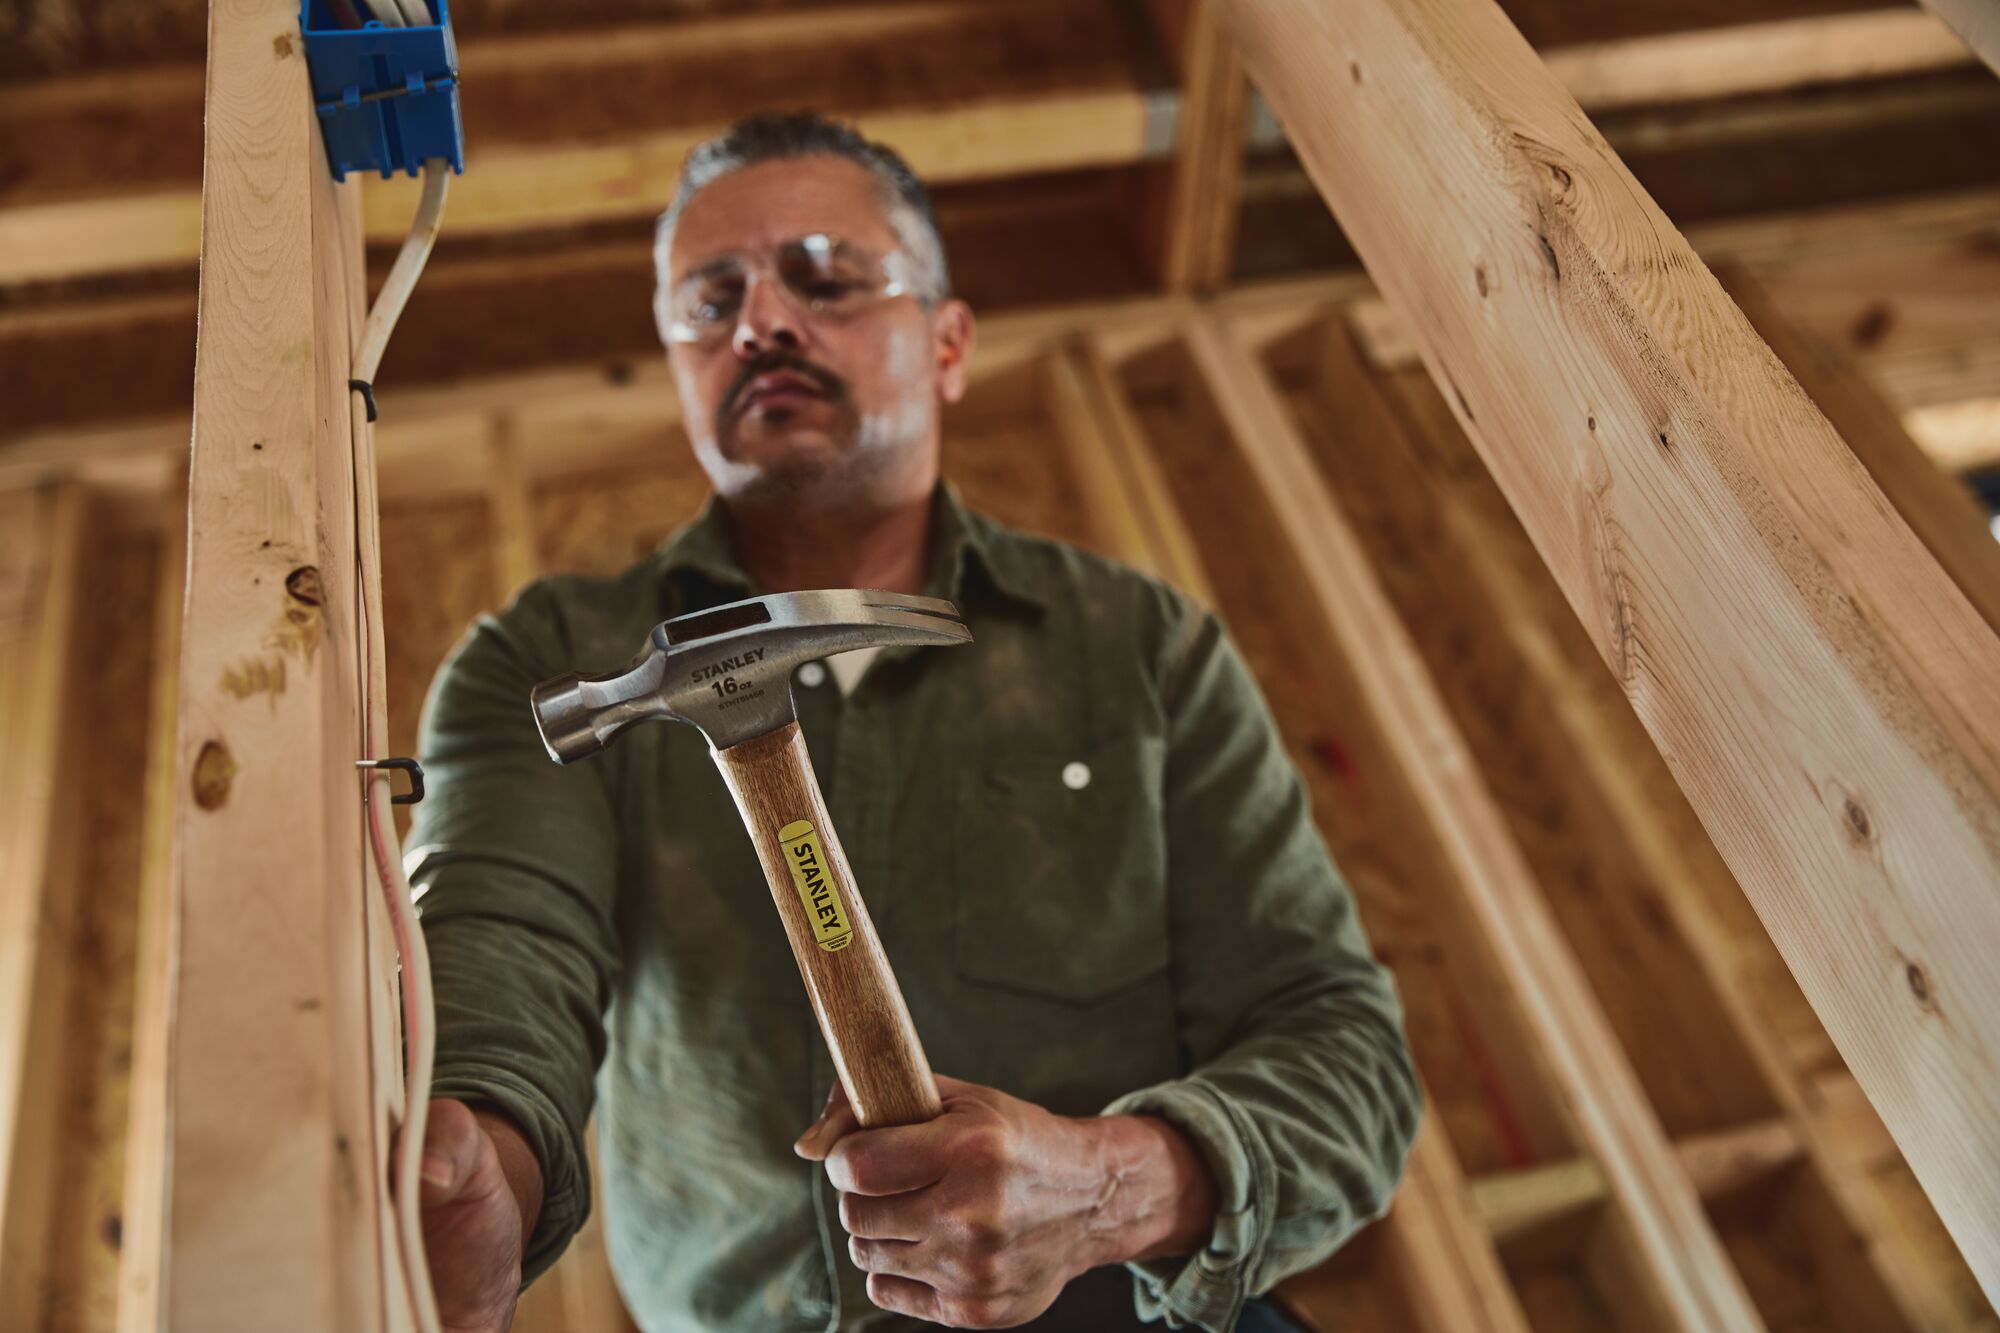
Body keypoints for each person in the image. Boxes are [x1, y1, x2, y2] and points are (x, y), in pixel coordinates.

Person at [405, 111, 1422, 1333]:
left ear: (946, 343)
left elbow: (1345, 1052)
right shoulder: (545, 661)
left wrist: (1105, 1191)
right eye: (707, 298)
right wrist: (481, 1183)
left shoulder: (1139, 648)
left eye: (826, 276)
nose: (760, 322)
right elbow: (505, 946)